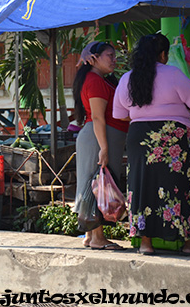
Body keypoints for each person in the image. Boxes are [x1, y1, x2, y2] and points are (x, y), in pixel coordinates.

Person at [113, 33, 190, 256]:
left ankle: (145, 243)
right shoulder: (172, 73)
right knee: (177, 186)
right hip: (173, 135)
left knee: (141, 186)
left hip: (139, 136)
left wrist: (144, 116)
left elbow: (120, 114)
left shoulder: (127, 79)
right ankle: (188, 242)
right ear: (163, 54)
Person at [72, 41, 129, 250]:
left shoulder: (100, 80)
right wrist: (104, 148)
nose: (114, 60)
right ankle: (97, 238)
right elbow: (97, 117)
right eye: (109, 55)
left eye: (114, 56)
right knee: (96, 184)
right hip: (98, 137)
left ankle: (90, 235)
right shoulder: (94, 80)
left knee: (95, 183)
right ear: (94, 58)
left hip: (102, 137)